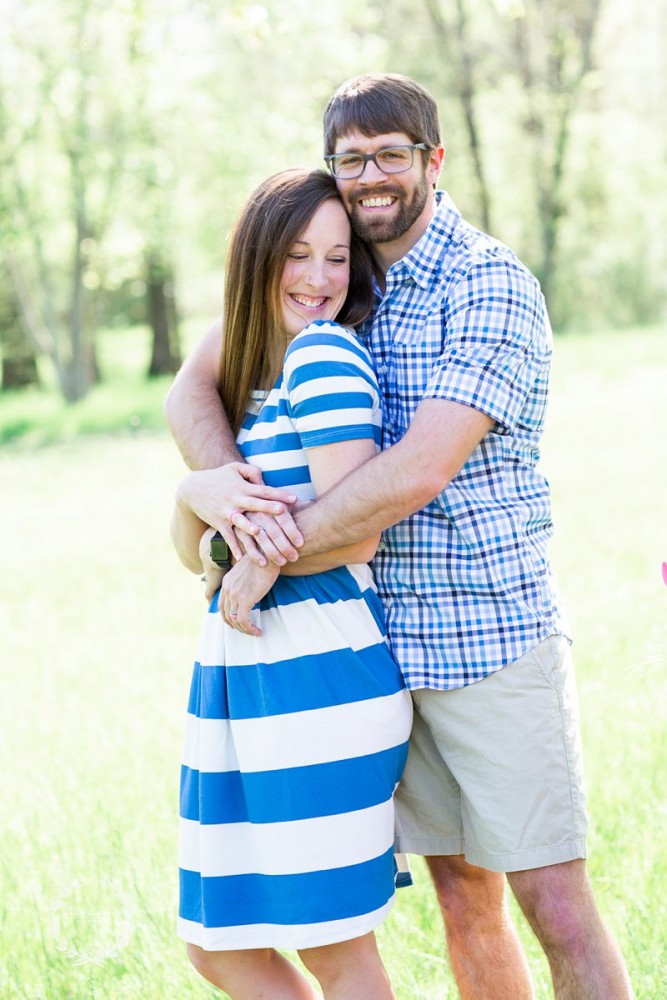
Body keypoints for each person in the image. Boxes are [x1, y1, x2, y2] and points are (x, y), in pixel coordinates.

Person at [165, 74, 634, 1000]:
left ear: (432, 160)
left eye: (390, 154)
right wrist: (224, 497)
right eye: (351, 160)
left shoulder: (487, 282)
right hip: (379, 651)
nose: (371, 175)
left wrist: (260, 554)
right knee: (462, 898)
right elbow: (192, 386)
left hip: (486, 638)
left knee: (553, 899)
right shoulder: (337, 279)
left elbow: (418, 471)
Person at [170, 167, 413, 999]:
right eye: (299, 254)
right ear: (257, 257)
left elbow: (360, 524)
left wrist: (262, 558)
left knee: (338, 950)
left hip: (319, 674)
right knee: (220, 946)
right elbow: (191, 556)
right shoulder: (258, 375)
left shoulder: (324, 354)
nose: (319, 279)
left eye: (339, 258)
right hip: (242, 679)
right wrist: (193, 493)